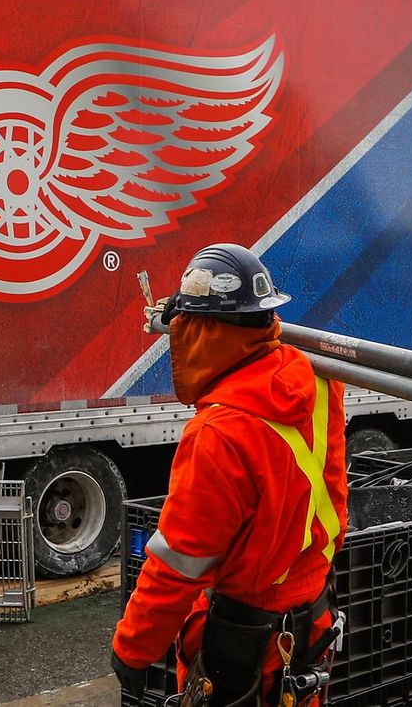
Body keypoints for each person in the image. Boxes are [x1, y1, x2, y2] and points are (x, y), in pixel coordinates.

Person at [111, 243, 348, 706]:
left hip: (246, 646)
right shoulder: (319, 382)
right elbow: (334, 496)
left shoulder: (218, 432)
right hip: (311, 625)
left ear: (199, 331)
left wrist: (133, 650)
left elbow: (180, 562)